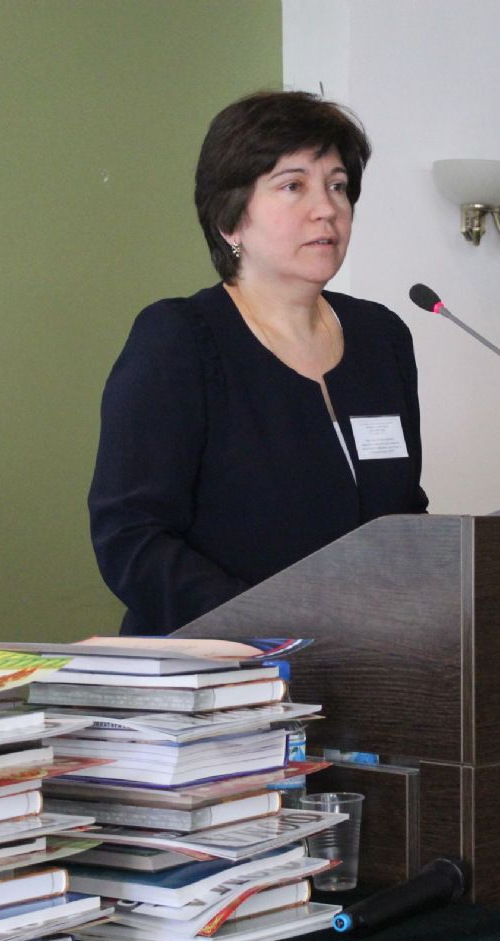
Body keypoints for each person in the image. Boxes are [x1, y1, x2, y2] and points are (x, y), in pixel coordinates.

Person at [88, 90, 428, 636]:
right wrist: (267, 627)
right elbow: (131, 537)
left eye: (337, 186)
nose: (327, 208)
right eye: (293, 186)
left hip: (367, 661)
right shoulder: (180, 340)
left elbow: (405, 519)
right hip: (219, 667)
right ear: (231, 220)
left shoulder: (380, 338)